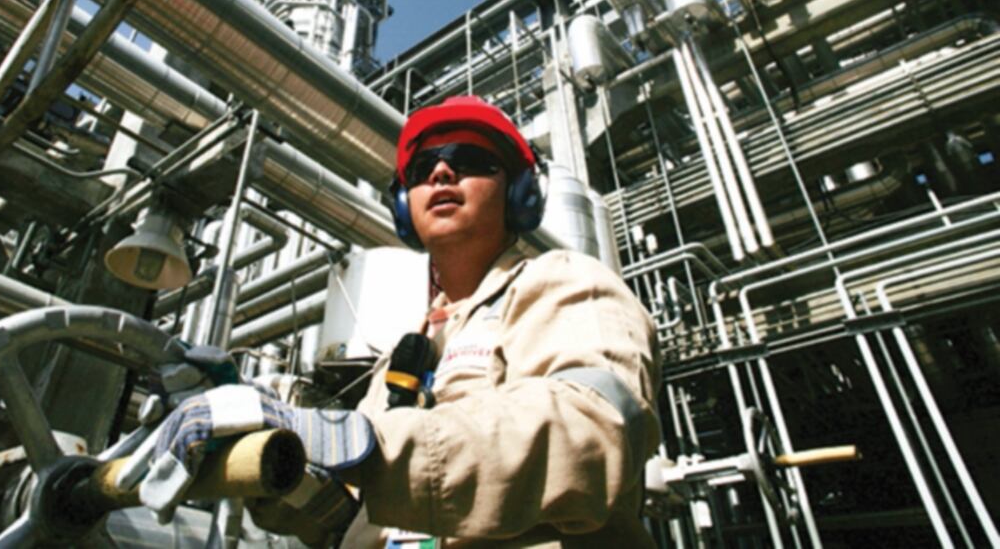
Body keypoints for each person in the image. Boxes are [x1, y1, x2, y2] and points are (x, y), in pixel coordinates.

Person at [142, 95, 662, 547]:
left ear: (520, 190)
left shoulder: (566, 282)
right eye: (422, 170)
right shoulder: (405, 356)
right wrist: (271, 450)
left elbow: (594, 432)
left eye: (470, 160)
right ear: (401, 203)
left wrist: (356, 443)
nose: (441, 173)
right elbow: (348, 517)